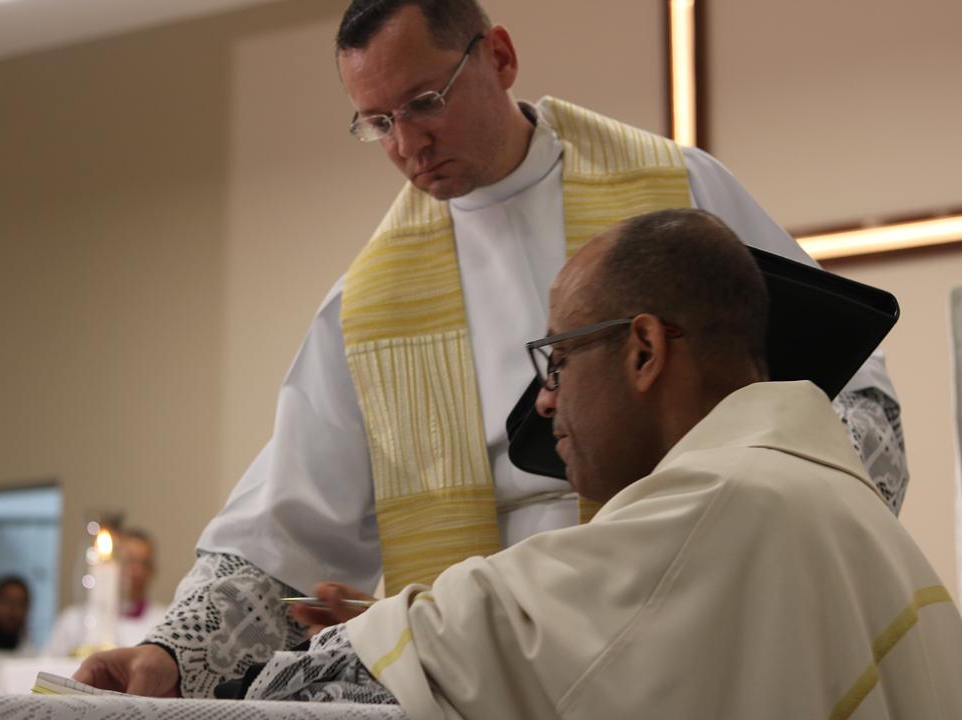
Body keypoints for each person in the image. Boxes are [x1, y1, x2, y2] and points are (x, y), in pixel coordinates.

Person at [76, 0, 908, 698]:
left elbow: (842, 400)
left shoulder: (677, 195)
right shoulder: (368, 301)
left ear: (500, 58)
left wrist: (782, 542)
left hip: (686, 622)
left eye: (424, 102)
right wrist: (169, 655)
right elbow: (281, 527)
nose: (407, 144)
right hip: (489, 668)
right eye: (378, 123)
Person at [242, 209, 962, 719]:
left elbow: (337, 684)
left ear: (644, 351)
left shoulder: (718, 504)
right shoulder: (848, 512)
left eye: (557, 360)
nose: (545, 401)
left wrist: (384, 637)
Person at [43, 529, 167, 657]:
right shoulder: (73, 621)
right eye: (129, 560)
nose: (135, 570)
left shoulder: (164, 624)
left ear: (152, 570)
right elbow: (49, 664)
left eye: (143, 563)